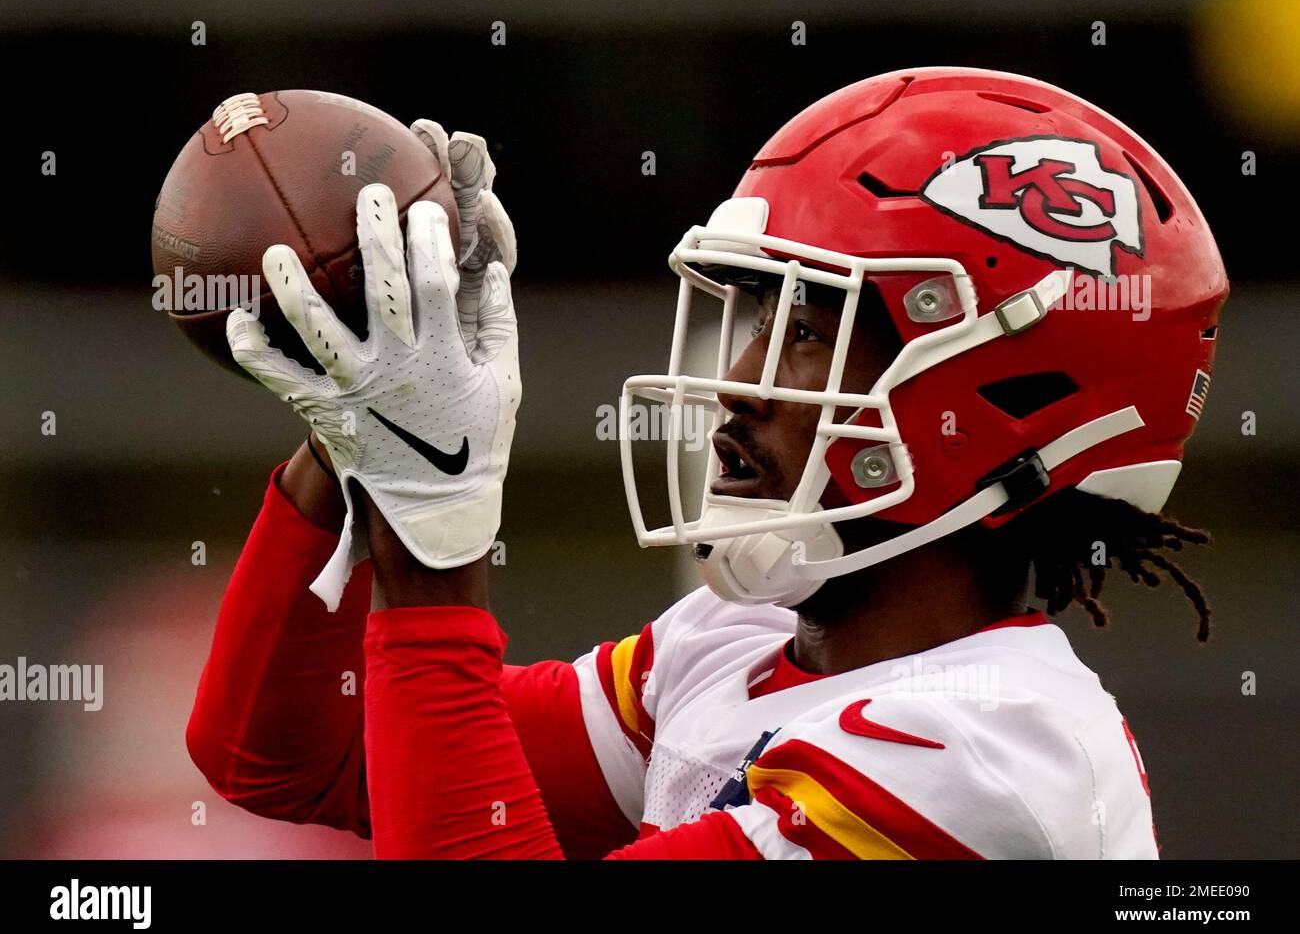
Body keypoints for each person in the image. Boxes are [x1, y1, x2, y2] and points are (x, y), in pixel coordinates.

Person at [187, 67, 1228, 859]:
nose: (738, 379)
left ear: (1005, 406)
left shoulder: (987, 754)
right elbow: (291, 754)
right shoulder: (751, 640)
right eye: (759, 316)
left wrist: (434, 527)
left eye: (809, 329)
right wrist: (363, 410)